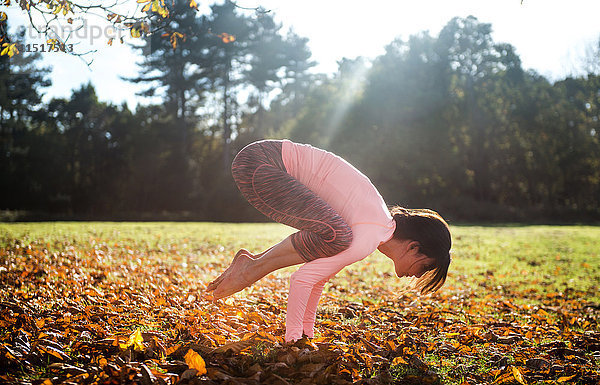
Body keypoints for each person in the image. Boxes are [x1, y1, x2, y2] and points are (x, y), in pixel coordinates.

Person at [206, 139, 451, 342]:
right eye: (426, 267)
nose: (419, 276)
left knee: (335, 236)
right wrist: (293, 341)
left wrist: (307, 334)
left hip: (260, 160)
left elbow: (317, 280)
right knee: (337, 235)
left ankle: (251, 265)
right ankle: (250, 270)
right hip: (261, 166)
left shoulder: (376, 224)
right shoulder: (370, 234)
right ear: (414, 247)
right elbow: (301, 279)